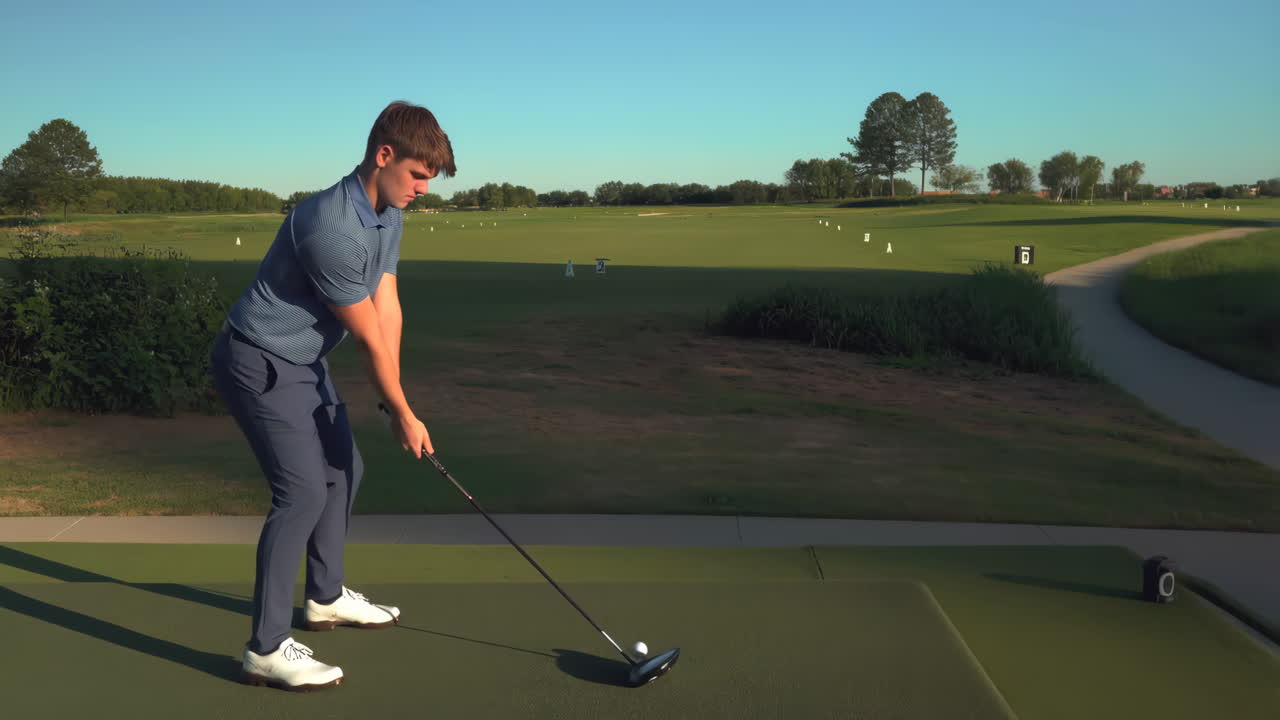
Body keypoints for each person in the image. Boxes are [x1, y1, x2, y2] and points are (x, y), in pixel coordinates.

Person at [209, 100, 456, 691]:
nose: (424, 188)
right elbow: (367, 333)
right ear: (384, 155)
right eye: (419, 174)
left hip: (304, 360)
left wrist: (393, 397)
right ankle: (264, 648)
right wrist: (402, 410)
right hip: (257, 358)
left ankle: (324, 598)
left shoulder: (387, 211)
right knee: (299, 491)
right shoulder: (331, 226)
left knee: (344, 469)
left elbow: (388, 305)